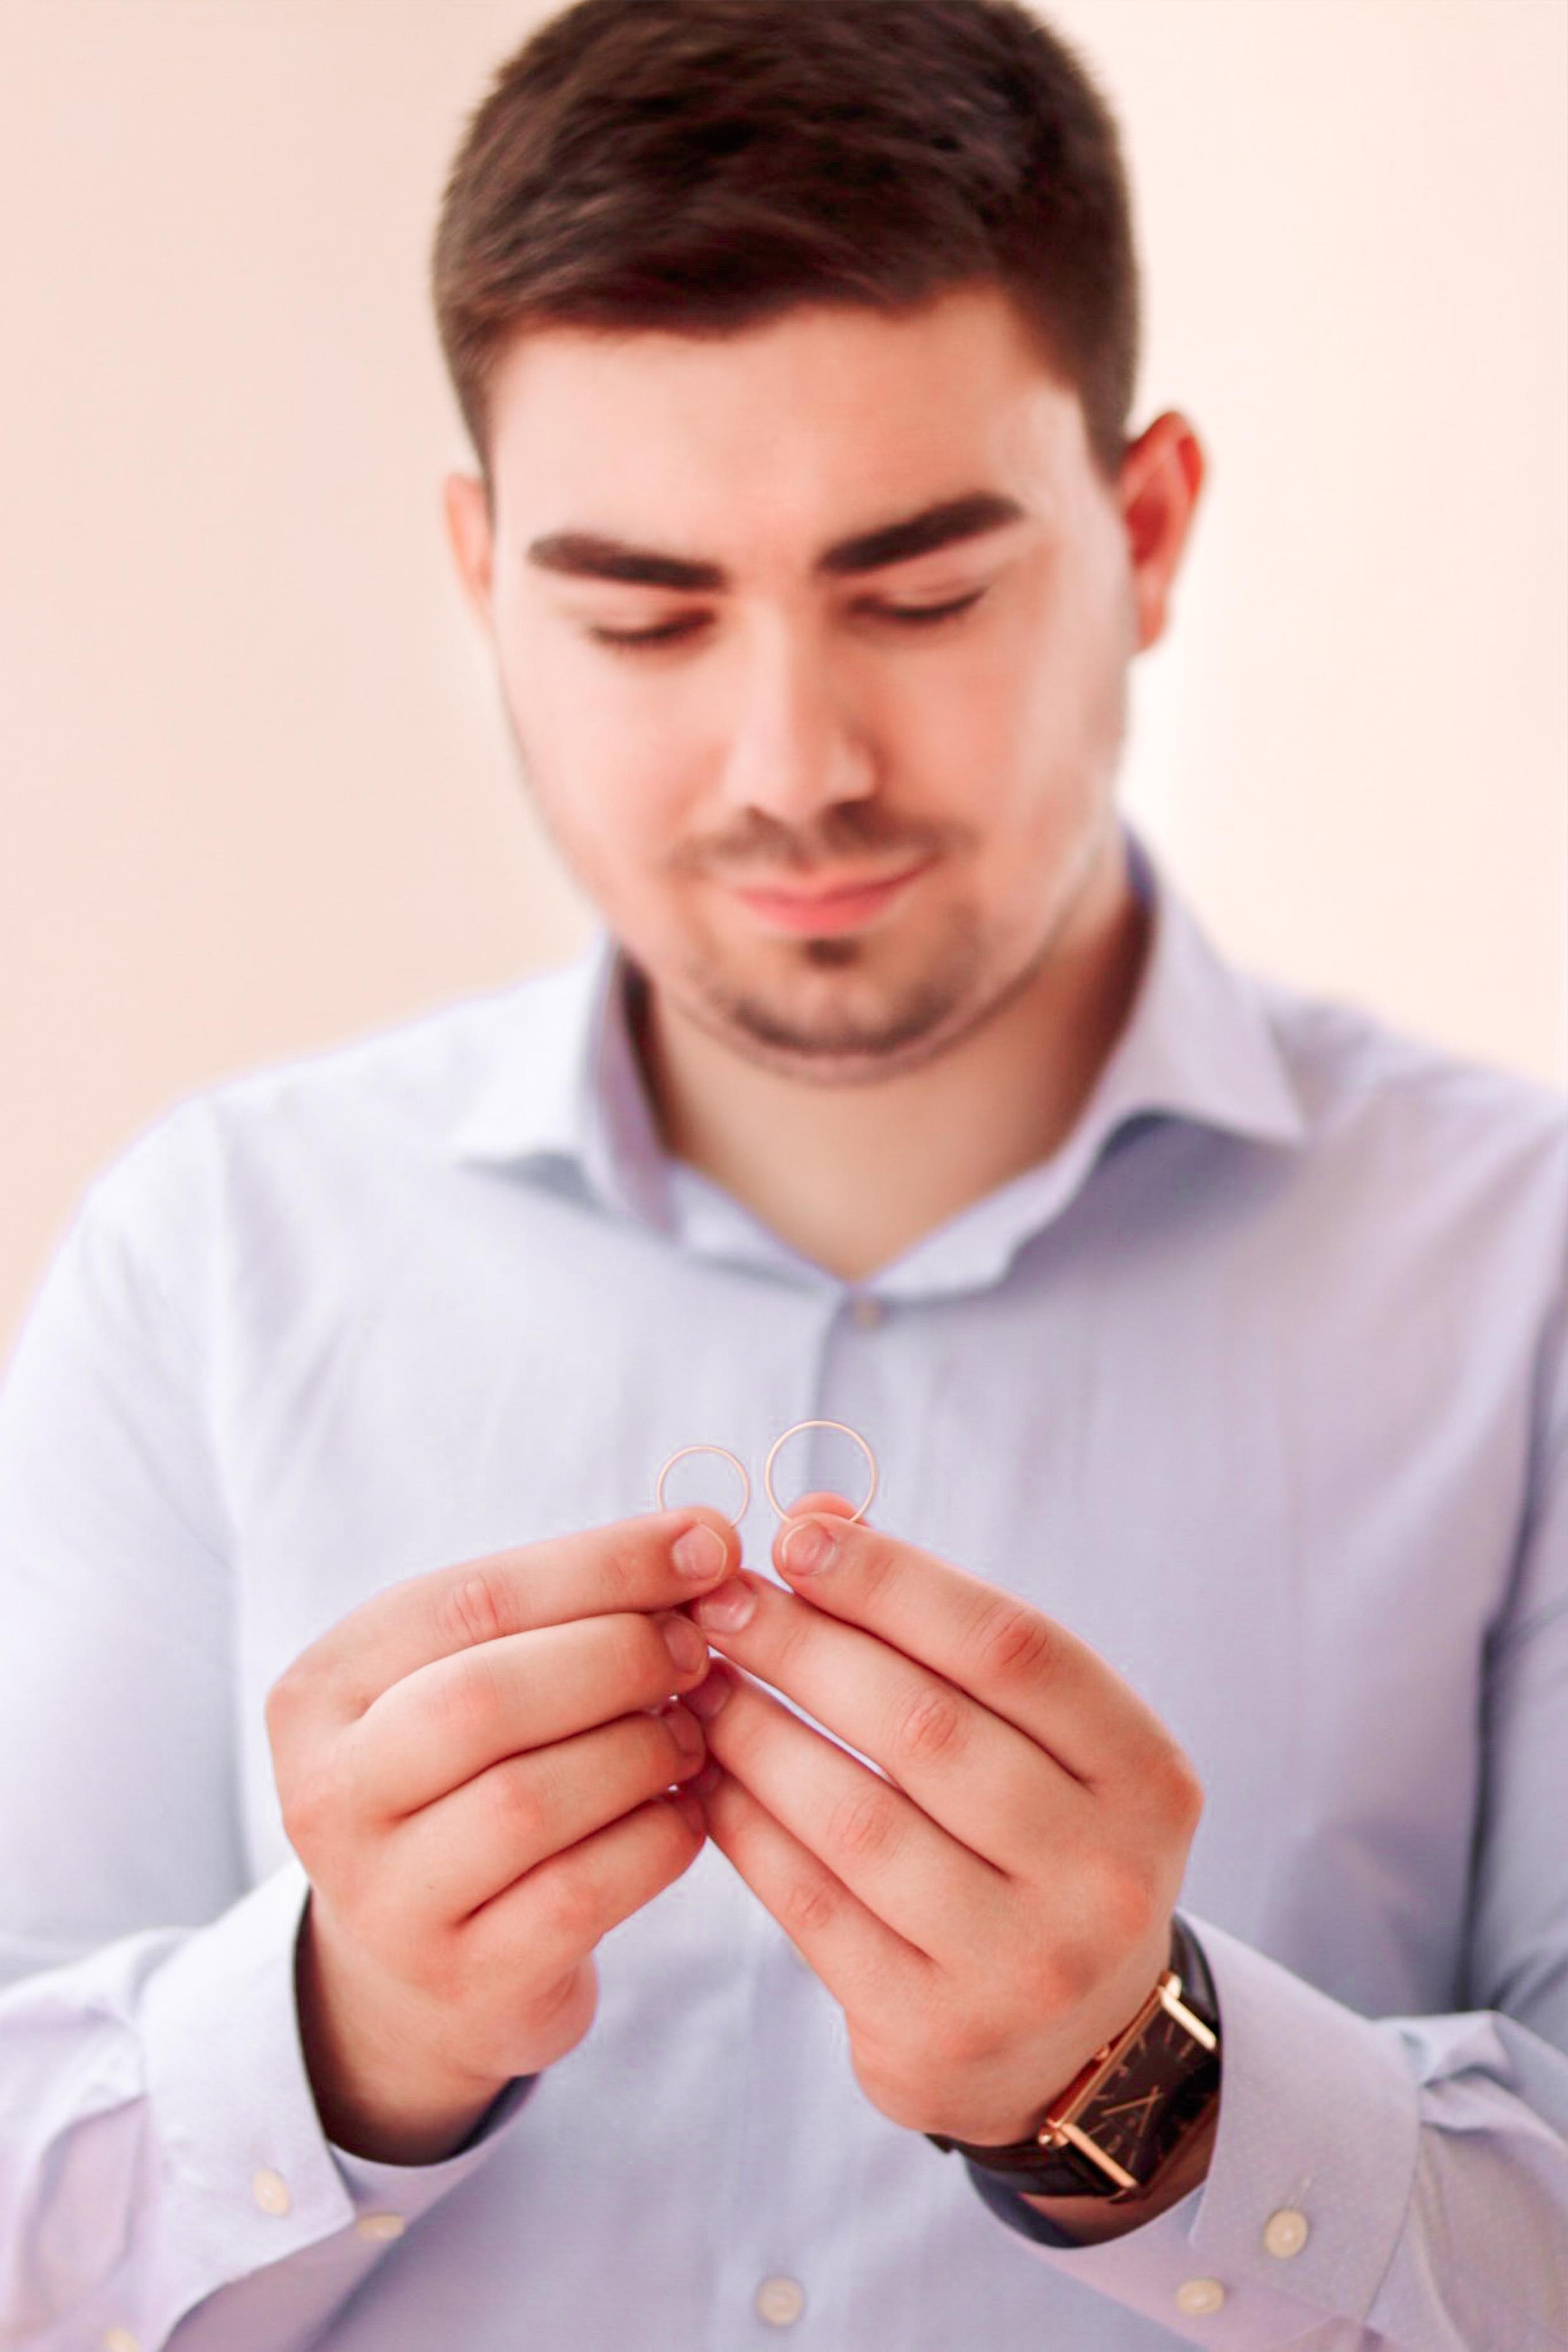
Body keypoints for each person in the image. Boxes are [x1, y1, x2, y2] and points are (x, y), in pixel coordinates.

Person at [1, 0, 1563, 2343]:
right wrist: (341, 2046)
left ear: (1143, 539)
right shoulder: (211, 1257)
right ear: (483, 581)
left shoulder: (1522, 1273)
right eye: (640, 614)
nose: (791, 763)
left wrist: (1142, 2090)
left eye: (919, 594)